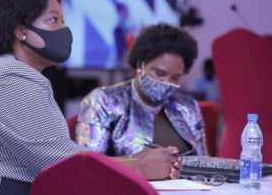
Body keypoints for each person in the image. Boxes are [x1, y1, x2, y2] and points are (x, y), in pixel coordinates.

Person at [0, 0, 181, 195]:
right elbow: (68, 167)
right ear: (21, 30)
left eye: (62, 20)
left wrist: (137, 158)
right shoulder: (8, 81)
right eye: (53, 20)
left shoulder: (16, 76)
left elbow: (64, 158)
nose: (64, 29)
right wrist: (139, 165)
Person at [75, 23, 208, 157]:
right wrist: (139, 164)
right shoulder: (104, 101)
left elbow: (205, 165)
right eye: (160, 73)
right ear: (140, 65)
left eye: (175, 77)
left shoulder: (188, 107)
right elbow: (88, 164)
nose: (166, 82)